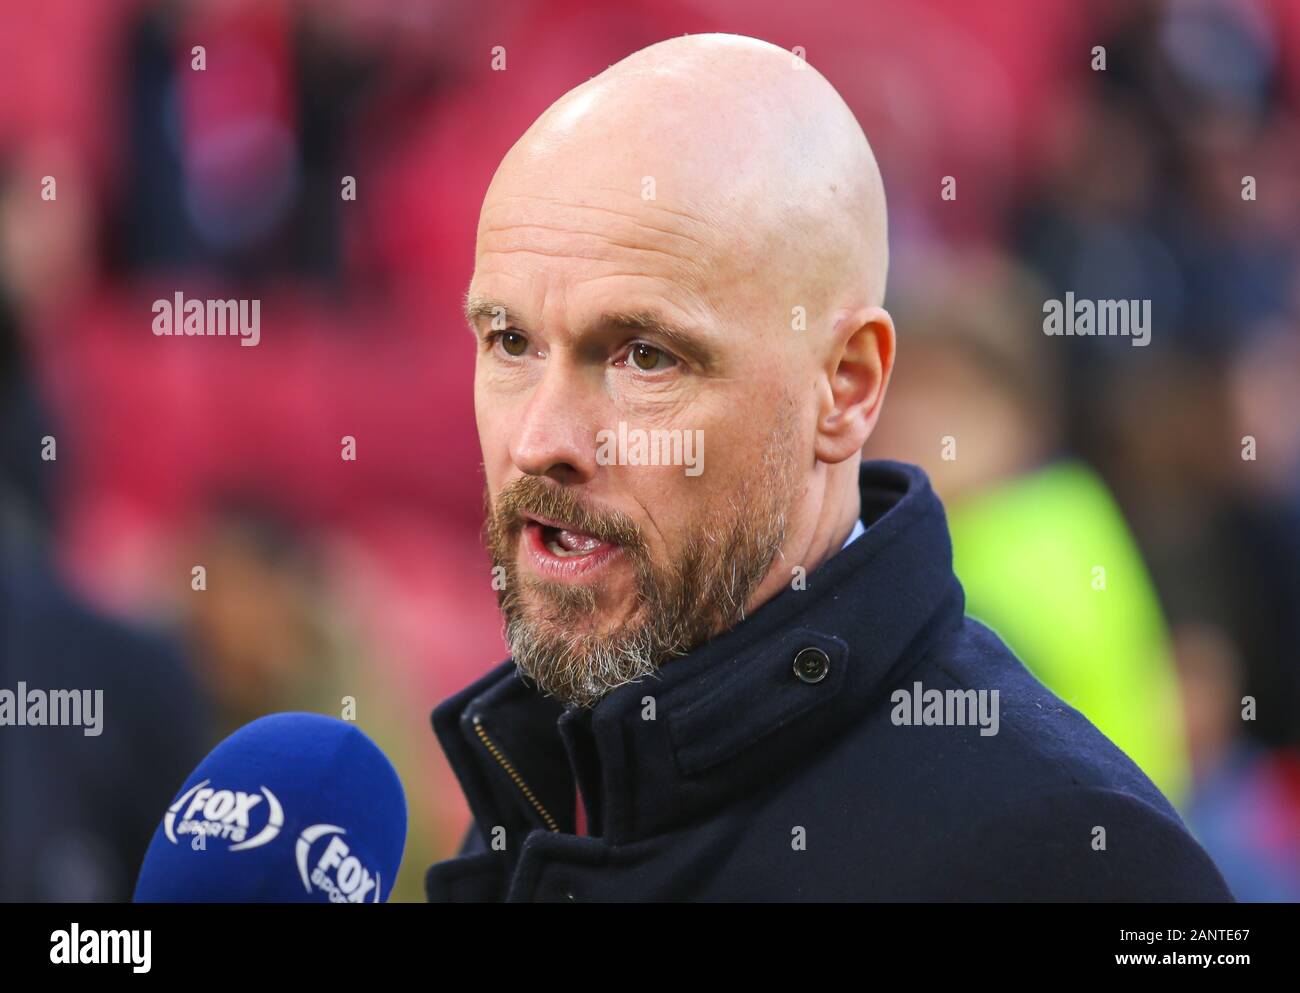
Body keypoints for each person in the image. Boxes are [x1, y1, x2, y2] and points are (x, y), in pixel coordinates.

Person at [424, 33, 1232, 901]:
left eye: (644, 357)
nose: (541, 438)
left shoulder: (1075, 860)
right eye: (510, 341)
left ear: (846, 387)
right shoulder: (544, 773)